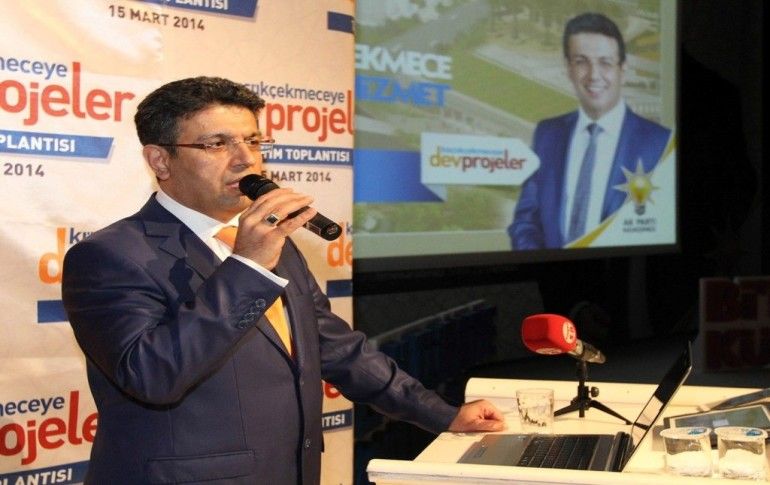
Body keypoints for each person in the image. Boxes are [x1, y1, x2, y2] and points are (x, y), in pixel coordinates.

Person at [61, 76, 505, 485]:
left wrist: (441, 414)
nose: (246, 159)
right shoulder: (110, 256)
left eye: (253, 141)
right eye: (217, 144)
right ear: (160, 159)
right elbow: (152, 376)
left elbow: (335, 347)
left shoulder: (272, 242)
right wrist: (247, 267)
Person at [509, 12, 672, 249]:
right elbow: (525, 222)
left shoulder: (661, 143)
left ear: (623, 69)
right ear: (568, 68)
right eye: (581, 62)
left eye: (605, 62)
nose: (594, 75)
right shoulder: (547, 134)